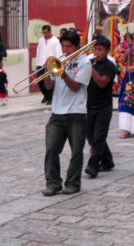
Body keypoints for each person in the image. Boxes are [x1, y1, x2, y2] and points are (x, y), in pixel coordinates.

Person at [41, 31, 92, 196]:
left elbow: (75, 87)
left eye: (69, 46)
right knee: (51, 149)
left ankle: (73, 183)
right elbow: (49, 88)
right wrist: (47, 74)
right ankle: (53, 183)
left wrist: (62, 73)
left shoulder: (84, 63)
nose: (65, 49)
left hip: (76, 113)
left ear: (77, 46)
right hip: (57, 113)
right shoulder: (59, 61)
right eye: (63, 46)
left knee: (76, 151)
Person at [84, 36, 117, 178]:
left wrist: (90, 68)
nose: (96, 52)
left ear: (107, 51)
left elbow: (102, 82)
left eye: (100, 50)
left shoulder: (110, 66)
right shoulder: (89, 63)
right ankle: (108, 161)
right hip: (89, 105)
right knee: (91, 137)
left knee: (99, 137)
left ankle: (93, 165)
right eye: (95, 49)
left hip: (104, 106)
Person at [36, 25, 62, 105]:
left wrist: (54, 64)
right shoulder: (41, 40)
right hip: (41, 64)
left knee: (50, 81)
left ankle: (50, 98)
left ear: (50, 31)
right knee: (39, 80)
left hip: (51, 65)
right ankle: (46, 95)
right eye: (43, 32)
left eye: (46, 32)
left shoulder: (55, 41)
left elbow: (58, 53)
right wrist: (37, 63)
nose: (45, 34)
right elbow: (38, 51)